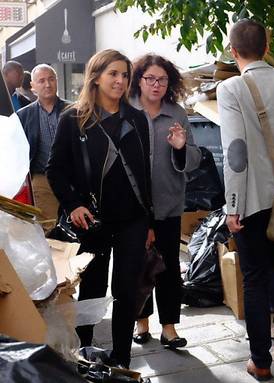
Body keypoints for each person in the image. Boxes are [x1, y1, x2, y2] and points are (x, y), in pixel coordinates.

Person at [217, 19, 274, 381]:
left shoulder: (231, 89)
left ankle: (261, 360)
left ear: (232, 50)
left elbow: (236, 153)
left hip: (252, 197)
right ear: (268, 45)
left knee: (254, 277)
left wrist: (233, 206)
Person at [46, 49, 155, 368]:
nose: (120, 81)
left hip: (132, 219)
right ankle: (85, 351)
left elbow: (144, 175)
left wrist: (149, 220)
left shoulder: (136, 119)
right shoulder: (73, 118)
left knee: (127, 289)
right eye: (113, 74)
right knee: (92, 289)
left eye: (124, 75)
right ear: (96, 77)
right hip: (91, 219)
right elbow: (55, 169)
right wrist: (73, 204)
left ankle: (122, 357)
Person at [129, 54, 201, 349]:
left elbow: (196, 159)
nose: (156, 85)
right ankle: (141, 321)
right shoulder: (126, 111)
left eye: (162, 79)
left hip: (169, 203)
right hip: (133, 207)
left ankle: (169, 327)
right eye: (150, 79)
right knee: (137, 266)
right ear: (139, 80)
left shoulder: (177, 114)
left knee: (169, 267)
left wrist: (181, 149)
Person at [16, 64, 71, 230]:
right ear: (33, 86)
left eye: (51, 79)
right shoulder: (24, 115)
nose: (47, 84)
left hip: (72, 177)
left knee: (77, 225)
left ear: (57, 81)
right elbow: (19, 150)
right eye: (41, 81)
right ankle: (54, 256)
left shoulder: (74, 110)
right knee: (49, 226)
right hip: (42, 179)